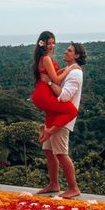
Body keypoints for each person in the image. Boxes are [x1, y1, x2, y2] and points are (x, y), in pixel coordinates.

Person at [37, 42, 87, 199]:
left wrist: (50, 82)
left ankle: (73, 187)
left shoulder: (75, 73)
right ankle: (54, 184)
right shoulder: (68, 70)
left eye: (70, 50)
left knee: (61, 153)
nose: (65, 52)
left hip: (63, 118)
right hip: (54, 116)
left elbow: (65, 96)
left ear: (77, 55)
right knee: (49, 150)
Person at [31, 31, 80, 141]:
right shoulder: (46, 58)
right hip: (44, 95)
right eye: (49, 43)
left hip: (41, 93)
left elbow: (53, 74)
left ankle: (45, 132)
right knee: (72, 111)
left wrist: (64, 69)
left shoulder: (43, 57)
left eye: (53, 43)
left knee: (52, 114)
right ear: (42, 44)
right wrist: (69, 69)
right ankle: (49, 131)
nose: (52, 46)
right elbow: (56, 79)